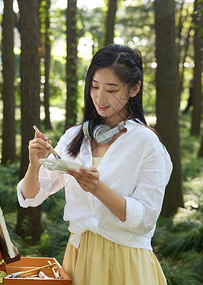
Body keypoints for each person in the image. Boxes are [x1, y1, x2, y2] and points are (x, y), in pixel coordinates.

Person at [17, 44, 172, 285]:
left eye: (111, 89)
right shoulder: (74, 136)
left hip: (125, 262)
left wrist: (96, 188)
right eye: (95, 86)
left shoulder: (146, 142)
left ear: (134, 88)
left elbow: (145, 219)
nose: (100, 97)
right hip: (79, 256)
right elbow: (30, 197)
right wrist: (34, 165)